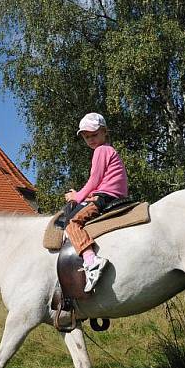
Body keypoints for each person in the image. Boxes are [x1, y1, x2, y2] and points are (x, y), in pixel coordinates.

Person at [64, 112, 128, 292]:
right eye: (86, 137)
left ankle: (91, 261)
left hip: (105, 196)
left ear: (104, 132)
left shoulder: (101, 151)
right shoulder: (110, 150)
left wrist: (76, 197)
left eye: (94, 135)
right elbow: (100, 182)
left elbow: (94, 180)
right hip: (110, 194)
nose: (90, 140)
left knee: (72, 223)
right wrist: (87, 194)